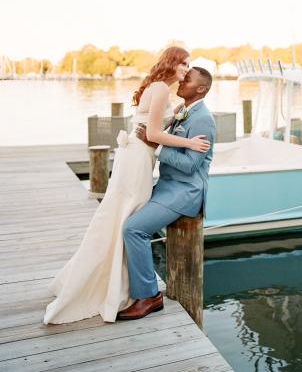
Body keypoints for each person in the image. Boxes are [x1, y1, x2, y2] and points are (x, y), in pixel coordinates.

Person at [44, 46, 210, 324]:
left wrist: (178, 113)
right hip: (137, 160)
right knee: (127, 219)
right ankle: (135, 290)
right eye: (184, 65)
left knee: (124, 217)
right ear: (173, 63)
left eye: (188, 68)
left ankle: (123, 284)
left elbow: (155, 127)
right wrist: (189, 142)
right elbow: (154, 134)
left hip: (137, 157)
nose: (185, 71)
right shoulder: (160, 89)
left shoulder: (160, 90)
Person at [117, 66, 215, 321]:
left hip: (185, 192)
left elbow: (191, 164)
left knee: (133, 229)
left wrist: (156, 146)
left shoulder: (202, 118)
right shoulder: (182, 111)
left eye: (188, 79)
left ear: (201, 89)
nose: (182, 80)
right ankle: (129, 286)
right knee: (123, 217)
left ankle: (149, 296)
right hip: (166, 187)